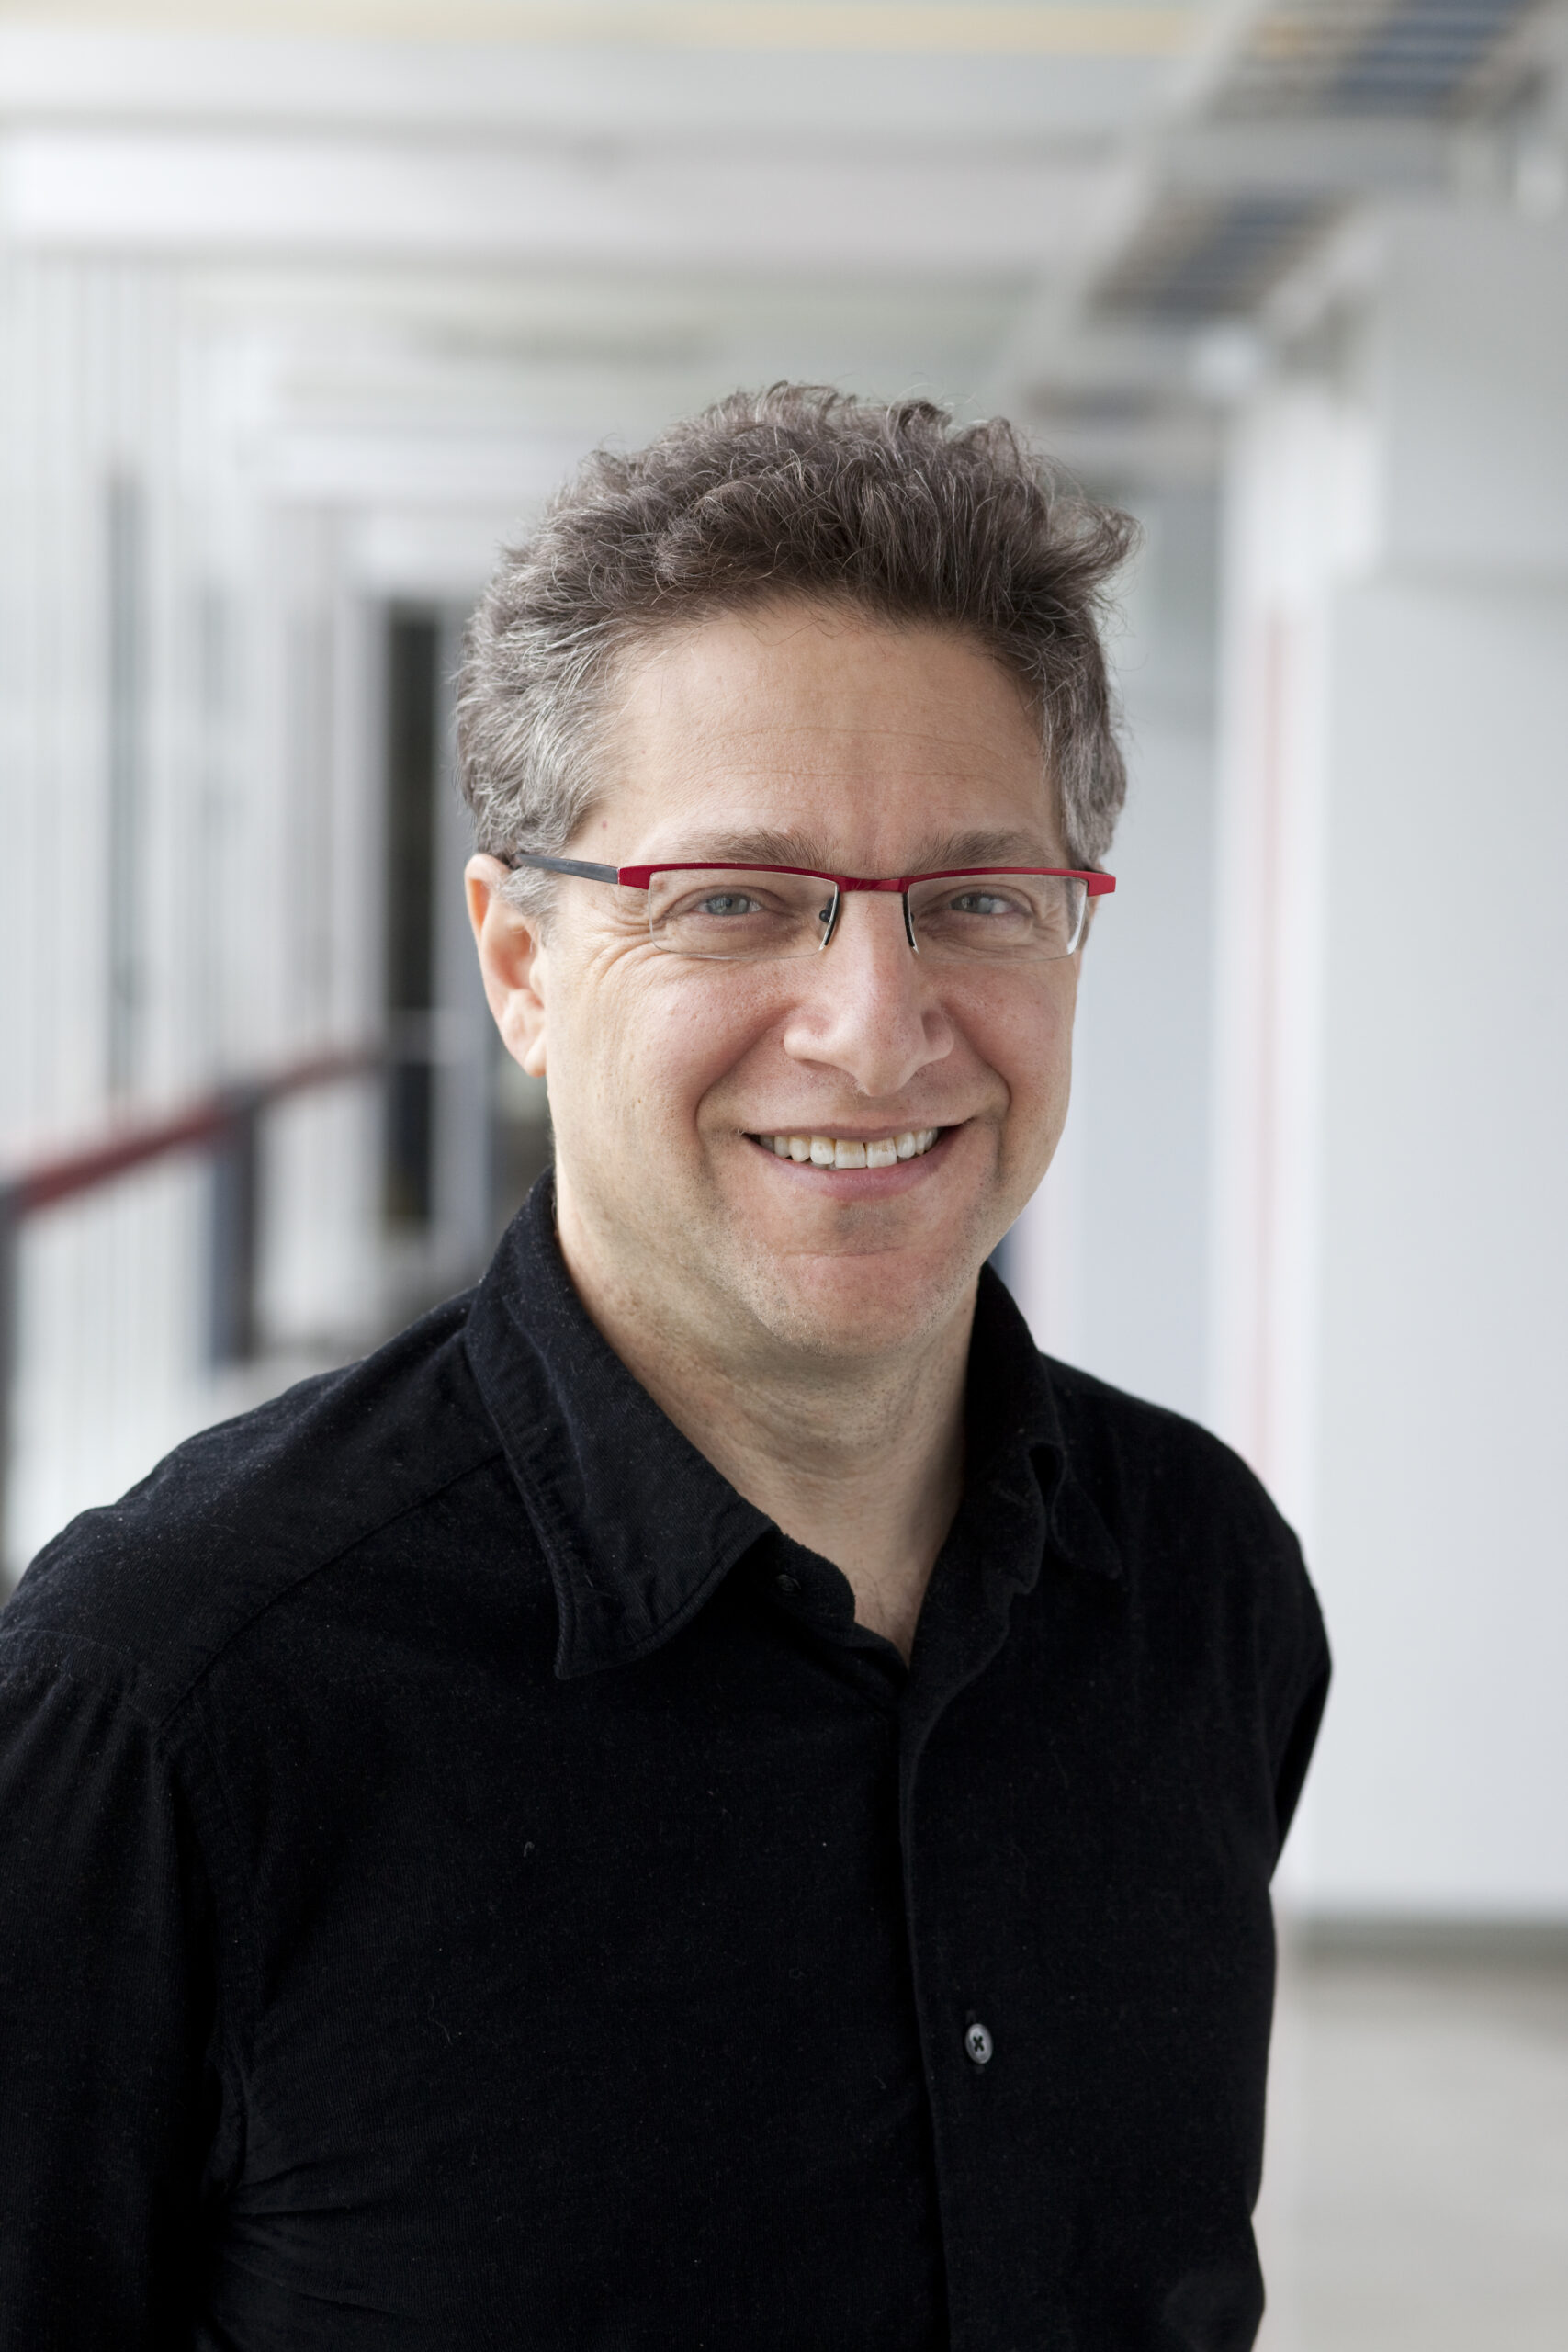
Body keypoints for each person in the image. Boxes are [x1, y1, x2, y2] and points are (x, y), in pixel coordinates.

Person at [0, 388, 1327, 2351]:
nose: (874, 1028)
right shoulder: (170, 1702)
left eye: (975, 899)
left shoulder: (1199, 1583)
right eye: (733, 900)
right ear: (519, 966)